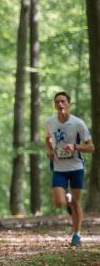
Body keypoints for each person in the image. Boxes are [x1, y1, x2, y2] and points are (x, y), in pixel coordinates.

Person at [45, 91, 95, 247]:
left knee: (76, 203)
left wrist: (75, 147)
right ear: (55, 105)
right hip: (59, 168)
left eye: (63, 101)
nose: (60, 104)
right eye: (57, 102)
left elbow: (91, 147)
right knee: (59, 203)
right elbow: (48, 139)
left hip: (76, 167)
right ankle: (67, 198)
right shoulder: (50, 122)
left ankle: (76, 235)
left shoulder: (78, 123)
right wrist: (50, 150)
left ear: (69, 104)